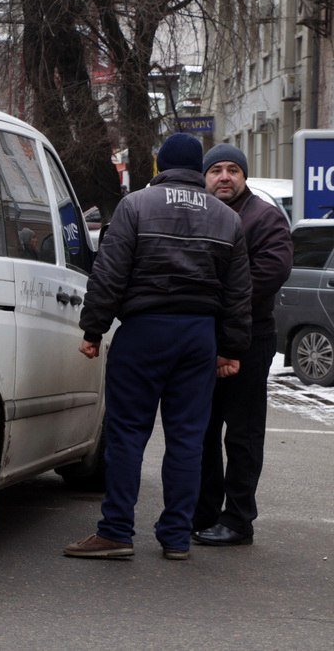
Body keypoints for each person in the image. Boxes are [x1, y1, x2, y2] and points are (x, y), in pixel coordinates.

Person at [64, 133, 252, 561]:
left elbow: (109, 274)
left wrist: (93, 330)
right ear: (198, 167)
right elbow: (238, 293)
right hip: (198, 336)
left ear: (160, 166)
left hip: (144, 332)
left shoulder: (135, 206)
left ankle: (116, 532)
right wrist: (231, 349)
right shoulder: (227, 219)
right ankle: (176, 537)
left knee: (128, 433)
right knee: (187, 438)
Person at [193, 144, 293, 546]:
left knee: (243, 433)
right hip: (201, 339)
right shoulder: (198, 214)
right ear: (204, 176)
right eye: (216, 169)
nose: (224, 177)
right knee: (200, 430)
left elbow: (273, 270)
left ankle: (237, 520)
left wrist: (216, 296)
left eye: (233, 170)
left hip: (251, 340)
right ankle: (202, 513)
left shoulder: (265, 217)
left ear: (244, 177)